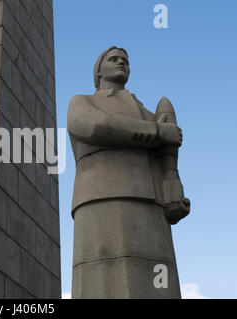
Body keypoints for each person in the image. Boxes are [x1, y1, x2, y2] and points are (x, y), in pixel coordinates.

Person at [68, 47, 189, 298]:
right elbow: (95, 126)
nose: (122, 62)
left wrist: (173, 188)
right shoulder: (82, 102)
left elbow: (168, 160)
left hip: (153, 204)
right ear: (98, 70)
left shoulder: (149, 113)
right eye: (114, 59)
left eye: (126, 60)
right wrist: (156, 133)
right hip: (101, 196)